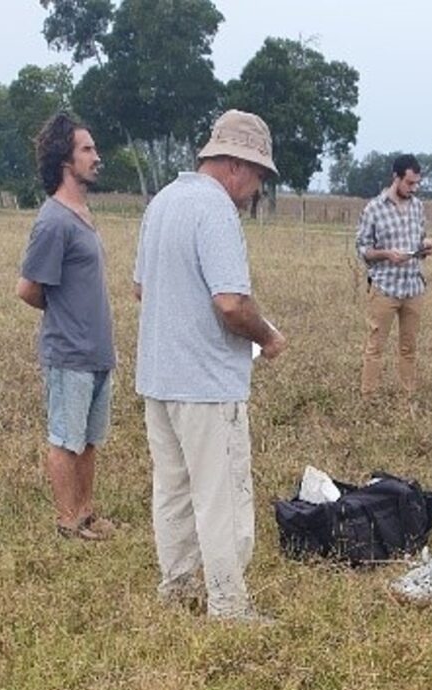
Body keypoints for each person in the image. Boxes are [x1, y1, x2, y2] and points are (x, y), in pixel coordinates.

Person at [132, 109, 286, 623]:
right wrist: (268, 336)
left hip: (159, 377)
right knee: (222, 496)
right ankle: (228, 605)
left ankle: (176, 591)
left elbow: (140, 288)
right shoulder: (215, 210)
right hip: (207, 384)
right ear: (237, 166)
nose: (255, 190)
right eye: (258, 177)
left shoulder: (163, 201)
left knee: (172, 490)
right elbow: (231, 303)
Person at [16, 112, 116, 541]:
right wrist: (63, 316)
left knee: (90, 440)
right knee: (65, 439)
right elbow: (27, 289)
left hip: (97, 351)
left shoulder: (82, 214)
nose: (97, 157)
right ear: (64, 160)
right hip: (68, 352)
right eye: (87, 150)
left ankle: (87, 514)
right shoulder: (53, 220)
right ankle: (67, 521)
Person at [354, 154, 432, 400]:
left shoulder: (418, 207)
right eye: (409, 183)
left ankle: (407, 395)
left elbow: (419, 240)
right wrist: (387, 254)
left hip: (413, 286)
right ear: (396, 178)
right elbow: (362, 249)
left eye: (416, 183)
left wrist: (426, 246)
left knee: (409, 347)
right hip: (384, 287)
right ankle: (369, 396)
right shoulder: (374, 209)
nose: (414, 188)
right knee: (375, 346)